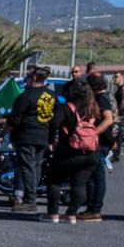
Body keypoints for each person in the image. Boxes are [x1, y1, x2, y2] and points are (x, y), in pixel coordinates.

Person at [41, 81, 99, 225]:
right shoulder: (93, 108)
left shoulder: (66, 107)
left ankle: (53, 214)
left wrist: (51, 141)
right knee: (79, 184)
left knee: (54, 180)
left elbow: (54, 123)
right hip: (91, 152)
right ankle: (71, 214)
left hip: (69, 151)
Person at [6, 67, 54, 213]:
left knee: (27, 167)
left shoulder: (26, 96)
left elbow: (15, 119)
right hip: (43, 135)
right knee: (36, 167)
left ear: (33, 79)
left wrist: (3, 132)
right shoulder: (52, 95)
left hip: (27, 136)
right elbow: (56, 117)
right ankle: (32, 197)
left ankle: (30, 200)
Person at [80, 72, 116, 222]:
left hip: (99, 143)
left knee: (96, 176)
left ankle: (95, 209)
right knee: (91, 176)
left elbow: (108, 120)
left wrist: (92, 133)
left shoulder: (102, 99)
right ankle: (91, 207)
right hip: (99, 143)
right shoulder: (101, 98)